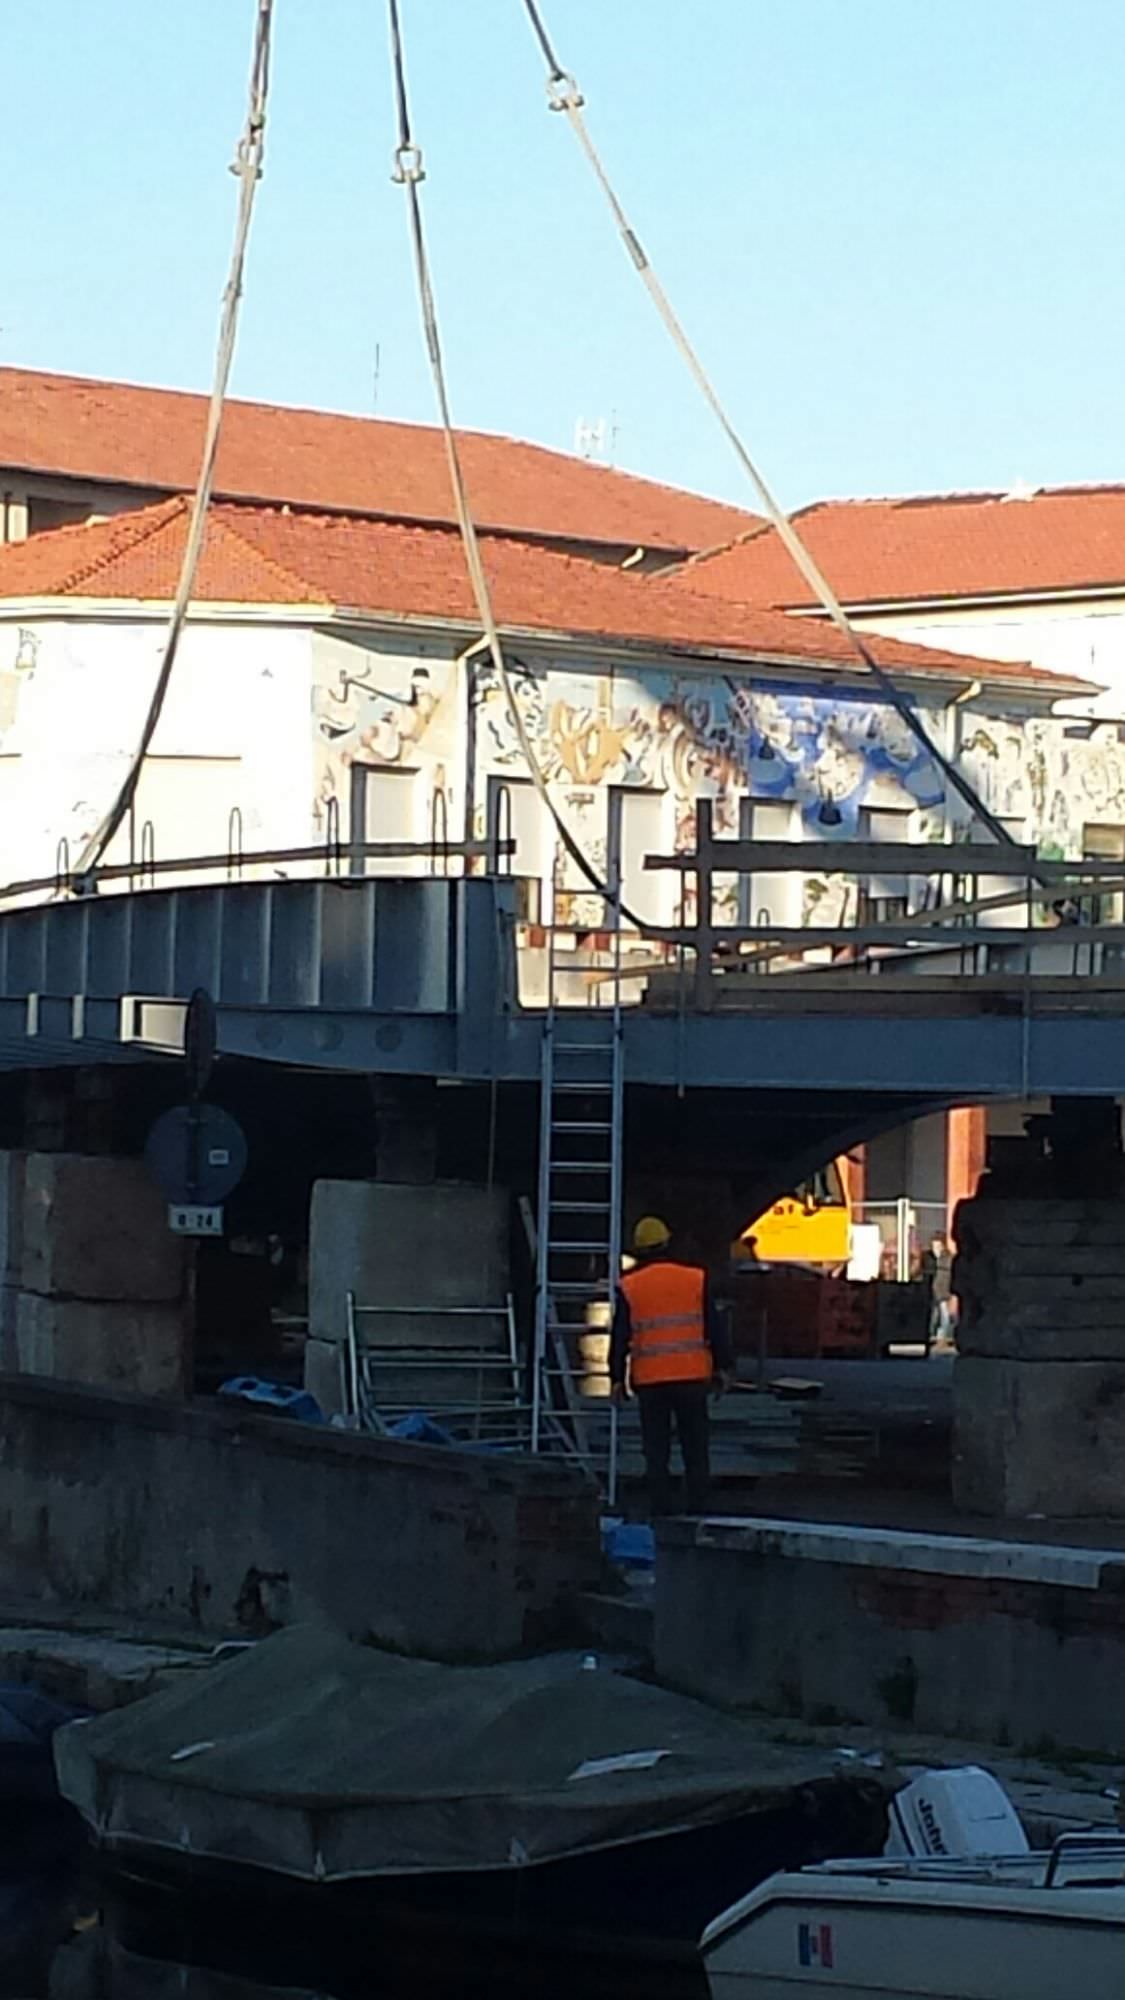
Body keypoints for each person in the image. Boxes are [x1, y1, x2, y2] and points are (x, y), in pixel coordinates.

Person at [610, 1216, 735, 1517]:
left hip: (650, 1381)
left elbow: (621, 1336)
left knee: (656, 1449)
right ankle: (698, 1506)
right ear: (668, 1243)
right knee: (695, 1446)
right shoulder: (694, 1278)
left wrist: (615, 1378)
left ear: (639, 1250)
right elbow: (714, 1327)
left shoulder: (630, 1286)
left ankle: (661, 1508)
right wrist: (724, 1366)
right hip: (692, 1377)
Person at [922, 1232, 956, 1347]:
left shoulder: (947, 1257)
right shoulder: (928, 1257)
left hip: (943, 1289)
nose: (936, 1248)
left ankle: (944, 1336)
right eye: (934, 1245)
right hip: (931, 1289)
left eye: (938, 1245)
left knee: (944, 1314)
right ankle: (934, 1335)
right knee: (935, 1314)